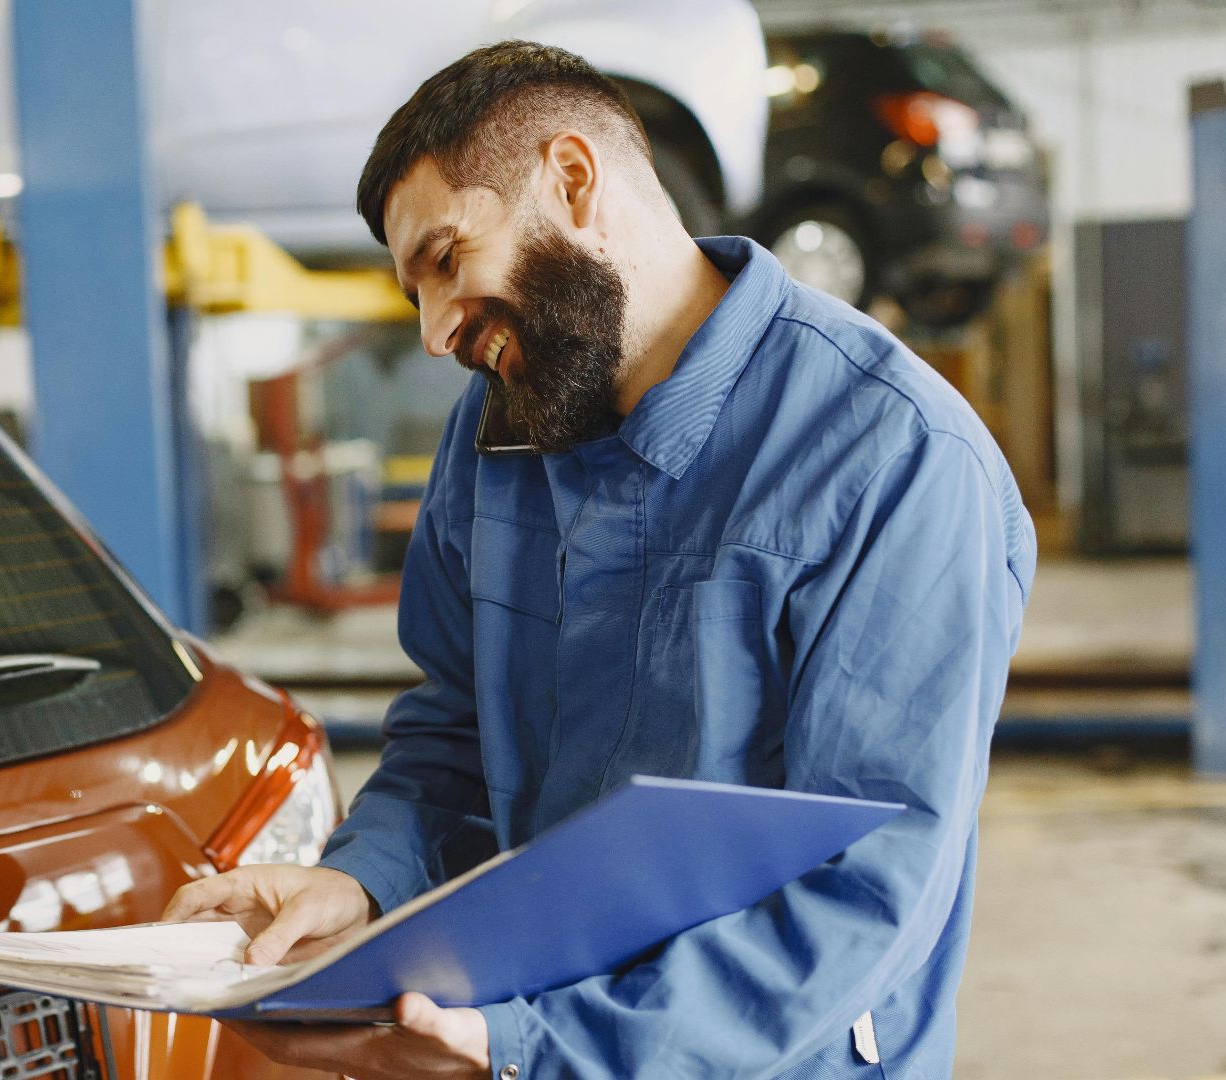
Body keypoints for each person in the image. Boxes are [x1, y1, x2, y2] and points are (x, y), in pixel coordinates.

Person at [165, 41, 1035, 1079]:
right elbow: (454, 732)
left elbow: (864, 888)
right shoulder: (497, 437)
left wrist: (542, 1051)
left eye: (446, 260)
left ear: (572, 182)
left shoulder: (891, 456)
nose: (437, 333)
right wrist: (360, 883)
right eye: (414, 294)